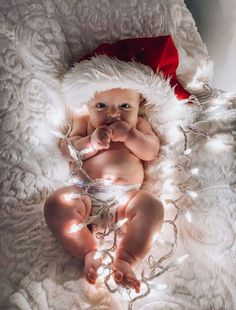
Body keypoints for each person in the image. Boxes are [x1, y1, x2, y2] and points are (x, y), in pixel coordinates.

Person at [44, 85, 164, 294]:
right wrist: (90, 142)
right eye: (100, 105)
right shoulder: (83, 121)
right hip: (84, 195)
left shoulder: (139, 125)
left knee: (152, 206)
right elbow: (68, 150)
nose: (113, 114)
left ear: (139, 104)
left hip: (126, 199)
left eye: (125, 105)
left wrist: (130, 136)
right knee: (56, 204)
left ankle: (126, 258)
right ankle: (89, 252)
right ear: (88, 104)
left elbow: (151, 151)